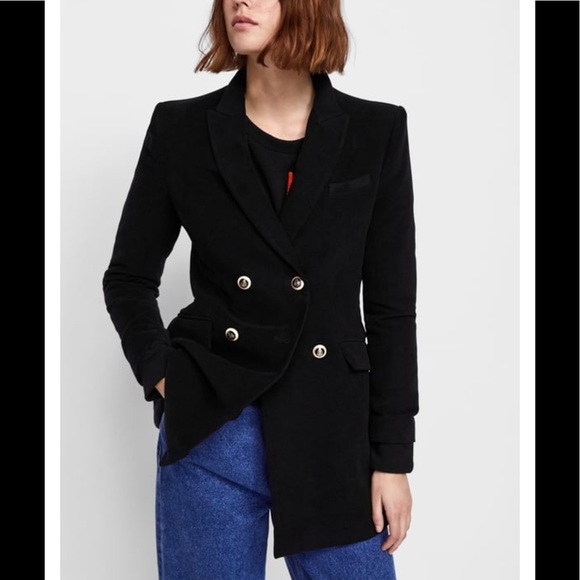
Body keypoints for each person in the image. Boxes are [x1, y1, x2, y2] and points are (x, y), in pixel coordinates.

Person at [103, 0, 419, 578]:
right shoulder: (181, 129)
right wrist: (166, 375)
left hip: (332, 426)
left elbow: (391, 310)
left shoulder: (375, 131)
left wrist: (394, 458)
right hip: (214, 424)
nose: (238, 2)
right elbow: (128, 277)